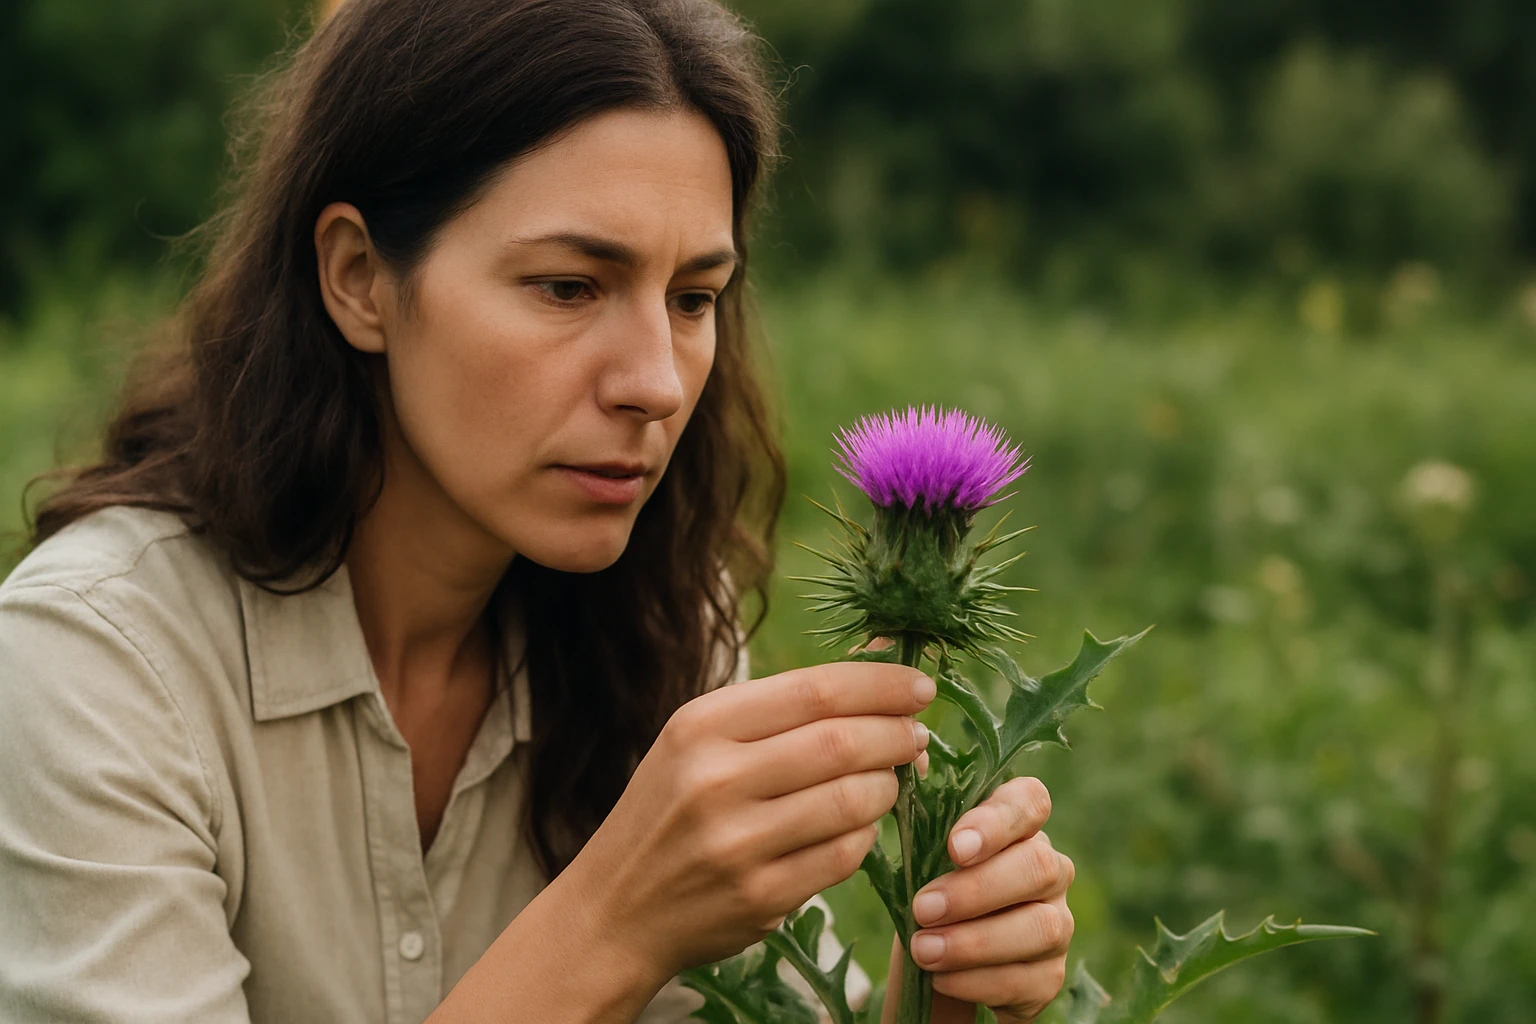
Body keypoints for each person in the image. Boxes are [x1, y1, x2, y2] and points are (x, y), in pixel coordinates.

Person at [0, 1, 1075, 1021]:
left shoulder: (667, 634)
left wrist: (943, 991)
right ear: (360, 277)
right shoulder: (92, 666)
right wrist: (614, 920)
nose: (656, 380)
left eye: (694, 297)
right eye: (569, 285)